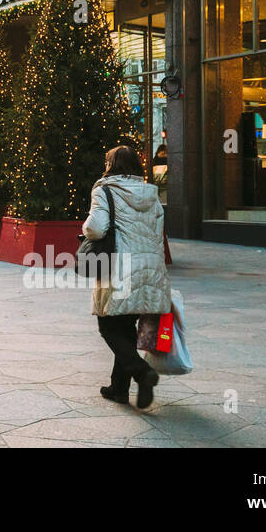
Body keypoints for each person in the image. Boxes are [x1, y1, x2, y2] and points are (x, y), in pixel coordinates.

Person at [83, 145, 171, 410]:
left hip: (119, 267)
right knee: (125, 327)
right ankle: (118, 388)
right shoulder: (151, 193)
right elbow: (158, 231)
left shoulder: (105, 189)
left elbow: (96, 229)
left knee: (108, 326)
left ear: (111, 165)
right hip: (149, 267)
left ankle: (141, 372)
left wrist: (85, 226)